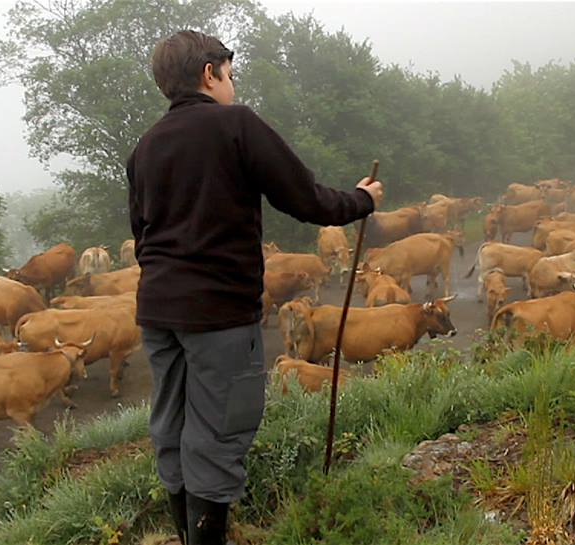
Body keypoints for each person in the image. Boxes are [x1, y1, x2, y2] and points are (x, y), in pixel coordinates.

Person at [126, 30, 383, 545]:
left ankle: (183, 535)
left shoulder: (144, 147)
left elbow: (141, 232)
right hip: (219, 313)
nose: (232, 81)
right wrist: (361, 199)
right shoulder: (235, 125)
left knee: (172, 428)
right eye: (229, 71)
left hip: (158, 311)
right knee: (218, 434)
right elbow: (307, 199)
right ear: (208, 74)